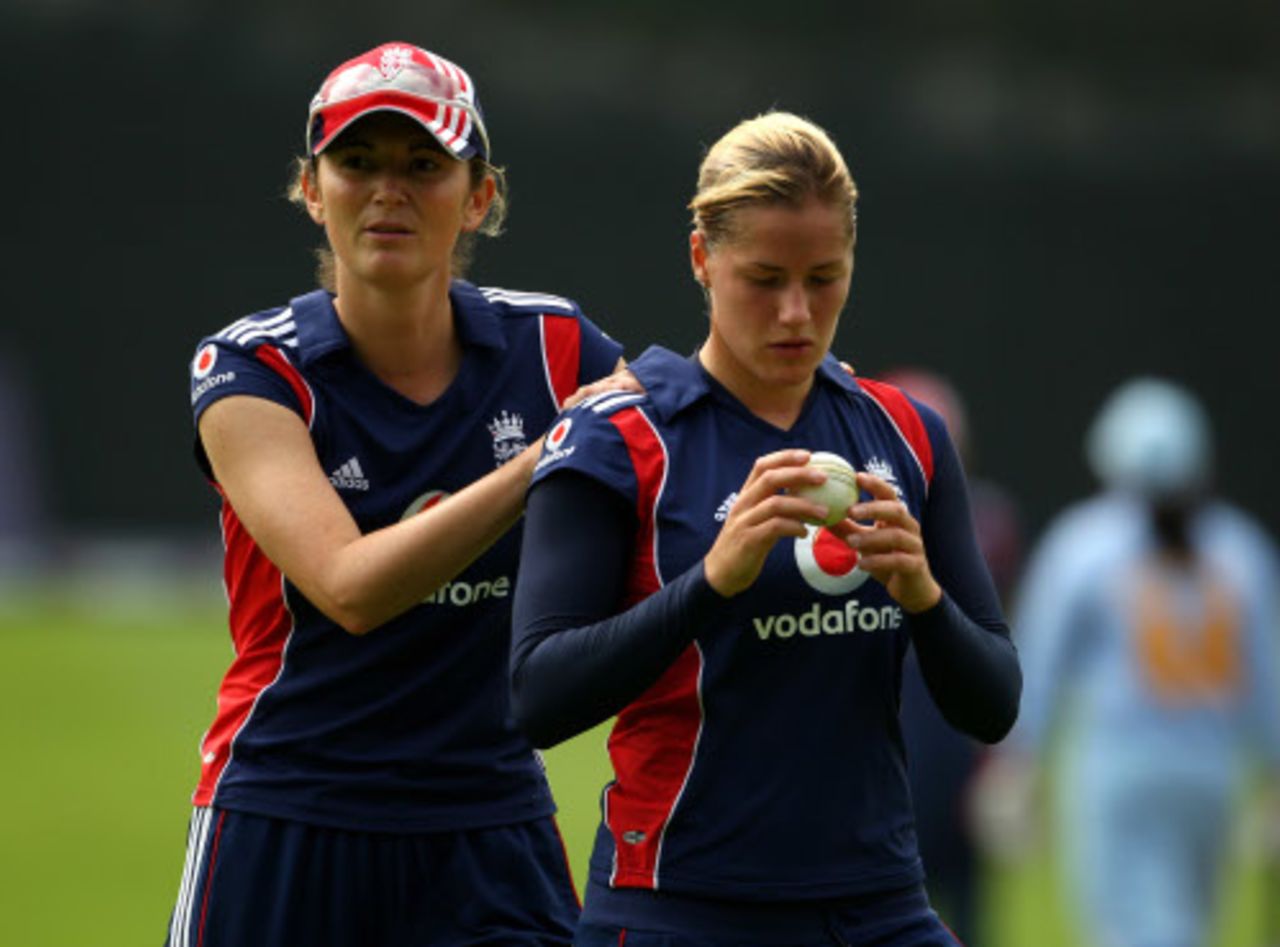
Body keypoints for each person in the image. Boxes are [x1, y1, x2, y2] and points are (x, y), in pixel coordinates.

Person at [509, 111, 1021, 946]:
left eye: (824, 277)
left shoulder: (907, 434)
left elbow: (994, 701)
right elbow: (536, 697)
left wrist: (924, 595)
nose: (796, 312)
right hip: (679, 908)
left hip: (878, 904)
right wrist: (712, 581)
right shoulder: (619, 440)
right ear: (701, 259)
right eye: (764, 277)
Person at [166, 41, 633, 947]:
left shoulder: (555, 345)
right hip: (287, 809)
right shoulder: (252, 366)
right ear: (311, 188)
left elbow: (679, 439)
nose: (390, 190)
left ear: (479, 197)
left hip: (488, 819)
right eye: (357, 162)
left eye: (425, 165)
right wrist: (547, 454)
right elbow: (349, 586)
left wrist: (786, 397)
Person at [979, 377, 1280, 947]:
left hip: (1119, 770)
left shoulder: (1084, 545)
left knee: (1128, 930)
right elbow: (1266, 676)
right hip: (1211, 774)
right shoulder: (1240, 549)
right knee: (1187, 927)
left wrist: (1016, 760)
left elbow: (1039, 662)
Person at [880, 368, 1022, 947]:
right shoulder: (850, 513)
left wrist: (1006, 763)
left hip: (958, 728)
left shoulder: (985, 520)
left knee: (967, 904)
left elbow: (1002, 637)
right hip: (889, 720)